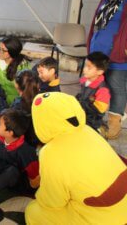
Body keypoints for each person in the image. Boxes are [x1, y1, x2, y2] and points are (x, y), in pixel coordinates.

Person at [25, 92, 127, 224]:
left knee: (33, 212)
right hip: (122, 200)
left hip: (103, 216)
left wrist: (39, 197)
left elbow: (53, 202)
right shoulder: (87, 130)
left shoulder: (50, 152)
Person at [87, 0, 127, 139]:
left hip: (117, 52)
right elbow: (98, 19)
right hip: (99, 49)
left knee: (116, 88)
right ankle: (93, 120)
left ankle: (113, 126)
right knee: (94, 86)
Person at [76, 52, 111, 131]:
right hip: (82, 115)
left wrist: (85, 103)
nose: (84, 69)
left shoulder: (103, 90)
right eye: (85, 65)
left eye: (89, 67)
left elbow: (99, 111)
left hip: (92, 122)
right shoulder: (84, 81)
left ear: (99, 72)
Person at [0, 37, 31, 105]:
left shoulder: (23, 66)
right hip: (1, 99)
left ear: (13, 51)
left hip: (17, 102)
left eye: (3, 50)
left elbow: (26, 89)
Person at [11, 70, 40, 146]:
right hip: (36, 138)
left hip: (24, 142)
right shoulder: (40, 98)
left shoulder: (17, 105)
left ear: (17, 85)